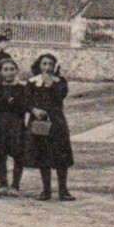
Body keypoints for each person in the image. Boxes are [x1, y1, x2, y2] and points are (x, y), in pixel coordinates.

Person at [24, 52, 75, 201]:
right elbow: (27, 100)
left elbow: (61, 96)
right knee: (43, 154)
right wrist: (34, 110)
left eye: (50, 64)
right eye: (44, 64)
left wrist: (50, 84)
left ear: (55, 66)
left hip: (56, 121)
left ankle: (63, 190)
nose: (47, 67)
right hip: (39, 121)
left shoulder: (60, 82)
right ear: (39, 65)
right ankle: (46, 190)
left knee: (61, 154)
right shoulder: (32, 82)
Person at [0, 56, 28, 196]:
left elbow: (23, 106)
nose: (9, 72)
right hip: (0, 125)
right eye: (5, 70)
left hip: (17, 124)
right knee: (1, 155)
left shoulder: (22, 88)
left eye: (12, 69)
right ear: (0, 72)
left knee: (18, 155)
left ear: (16, 71)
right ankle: (3, 184)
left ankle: (15, 185)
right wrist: (9, 102)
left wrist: (10, 103)